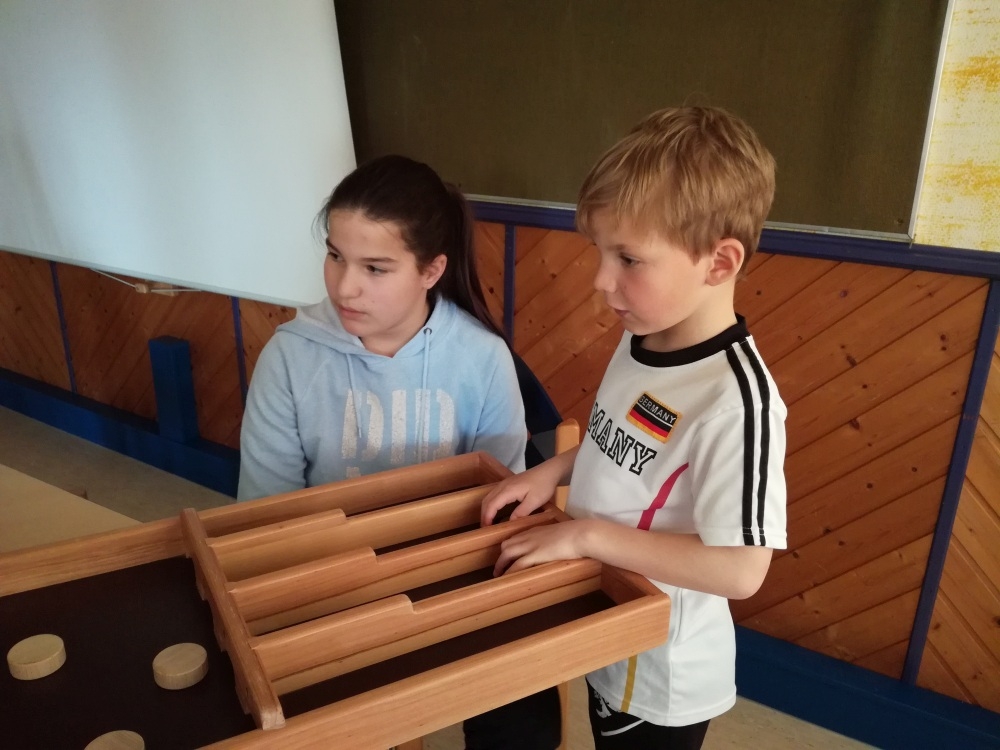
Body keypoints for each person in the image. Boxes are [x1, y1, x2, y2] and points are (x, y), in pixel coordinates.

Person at [481, 106, 787, 750]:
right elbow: (622, 444)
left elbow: (741, 572)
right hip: (607, 626)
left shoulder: (737, 402)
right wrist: (550, 472)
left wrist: (586, 535)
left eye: (628, 258)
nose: (600, 279)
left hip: (662, 673)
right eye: (600, 252)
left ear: (719, 262)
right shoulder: (642, 337)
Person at [238, 154, 561, 748]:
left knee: (523, 716)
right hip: (331, 579)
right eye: (335, 256)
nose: (345, 286)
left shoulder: (482, 358)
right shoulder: (289, 357)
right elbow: (266, 514)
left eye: (375, 268)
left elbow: (504, 504)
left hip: (453, 573)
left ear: (432, 270)